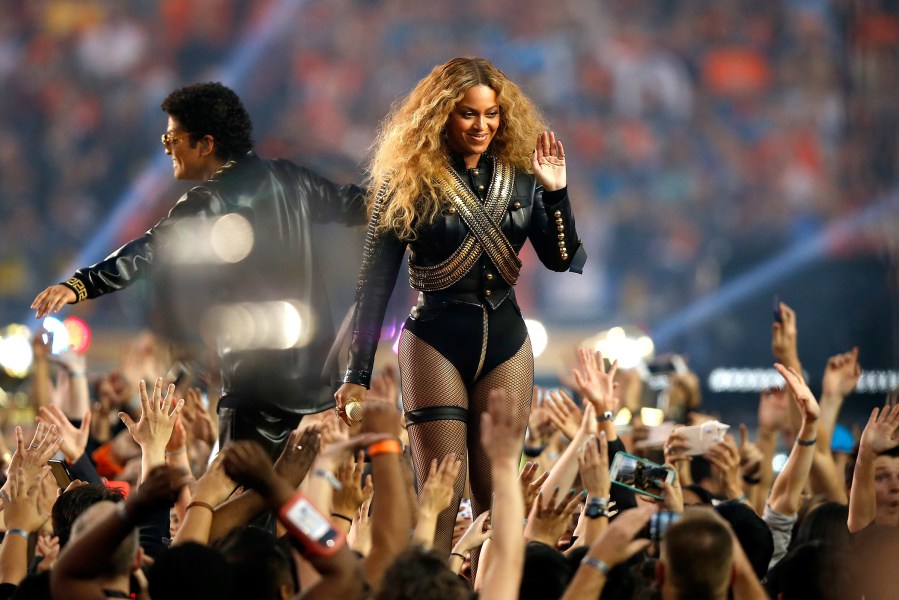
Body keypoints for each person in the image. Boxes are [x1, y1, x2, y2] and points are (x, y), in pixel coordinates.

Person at [31, 82, 367, 457]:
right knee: (288, 498)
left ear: (206, 144)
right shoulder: (291, 178)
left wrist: (81, 284)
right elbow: (356, 205)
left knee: (235, 495)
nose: (167, 149)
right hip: (315, 383)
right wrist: (411, 190)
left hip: (254, 382)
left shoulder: (210, 199)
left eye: (172, 138)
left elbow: (151, 251)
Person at [334, 56, 586, 553]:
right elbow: (374, 288)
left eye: (491, 114)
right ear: (440, 115)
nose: (482, 126)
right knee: (442, 496)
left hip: (508, 342)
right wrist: (356, 376)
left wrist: (556, 194)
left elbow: (562, 261)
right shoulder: (402, 184)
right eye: (468, 114)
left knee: (500, 499)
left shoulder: (523, 178)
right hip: (434, 342)